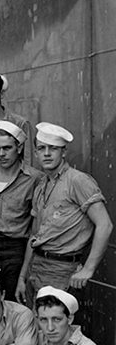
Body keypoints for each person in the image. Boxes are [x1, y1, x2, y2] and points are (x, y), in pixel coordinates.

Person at [16, 122, 113, 306]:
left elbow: (105, 225)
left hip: (62, 270)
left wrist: (89, 269)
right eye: (41, 148)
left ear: (64, 152)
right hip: (37, 268)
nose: (46, 153)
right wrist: (23, 276)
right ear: (35, 153)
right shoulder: (41, 186)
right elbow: (34, 236)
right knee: (37, 328)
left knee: (56, 329)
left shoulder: (78, 181)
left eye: (53, 148)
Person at [0, 122, 42, 300]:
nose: (1, 154)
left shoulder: (34, 178)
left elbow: (37, 224)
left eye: (7, 148)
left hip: (16, 247)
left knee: (14, 300)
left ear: (19, 148)